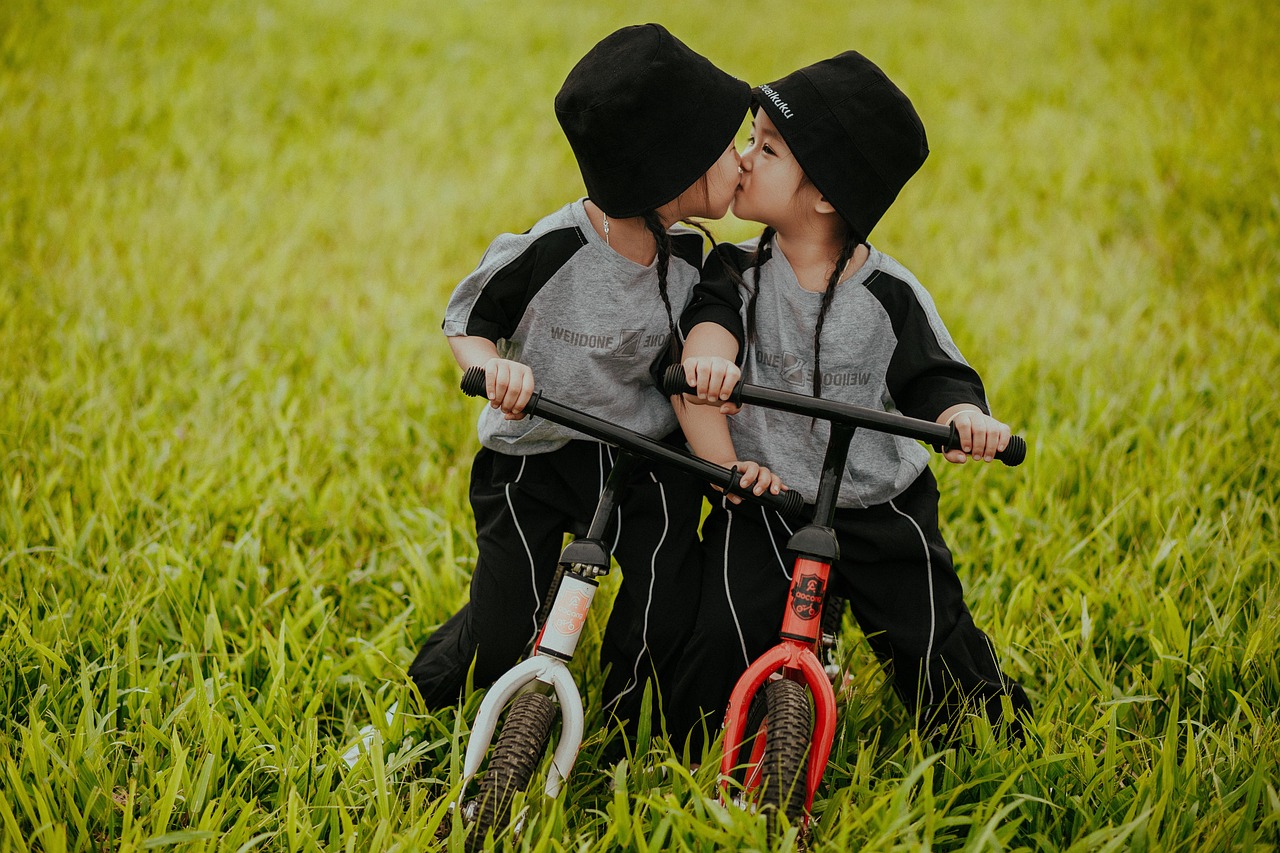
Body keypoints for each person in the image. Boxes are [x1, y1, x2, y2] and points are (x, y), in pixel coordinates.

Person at [667, 51, 1032, 754]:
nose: (744, 158)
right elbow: (711, 320)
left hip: (876, 499)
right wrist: (709, 358)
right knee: (722, 624)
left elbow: (938, 378)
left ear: (827, 194)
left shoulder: (888, 293)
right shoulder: (736, 269)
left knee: (928, 628)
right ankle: (690, 743)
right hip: (768, 492)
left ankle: (993, 738)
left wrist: (963, 420)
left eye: (766, 148)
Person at [407, 24, 750, 737]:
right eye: (729, 148)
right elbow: (464, 320)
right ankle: (441, 675)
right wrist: (490, 366)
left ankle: (631, 715)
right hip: (531, 450)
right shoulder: (551, 249)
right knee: (505, 624)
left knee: (664, 585)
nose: (743, 160)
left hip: (637, 455)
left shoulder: (694, 259)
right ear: (673, 168)